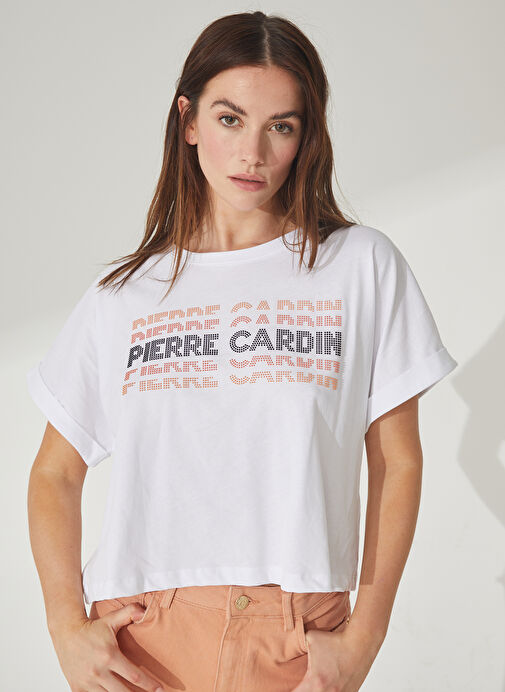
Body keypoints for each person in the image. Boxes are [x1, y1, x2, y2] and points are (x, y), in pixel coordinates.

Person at [26, 10, 458, 692]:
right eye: (230, 119)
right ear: (189, 121)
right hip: (142, 638)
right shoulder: (124, 296)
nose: (252, 152)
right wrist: (64, 628)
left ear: (305, 136)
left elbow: (397, 460)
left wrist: (364, 639)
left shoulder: (357, 267)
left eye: (280, 126)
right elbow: (54, 473)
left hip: (295, 636)